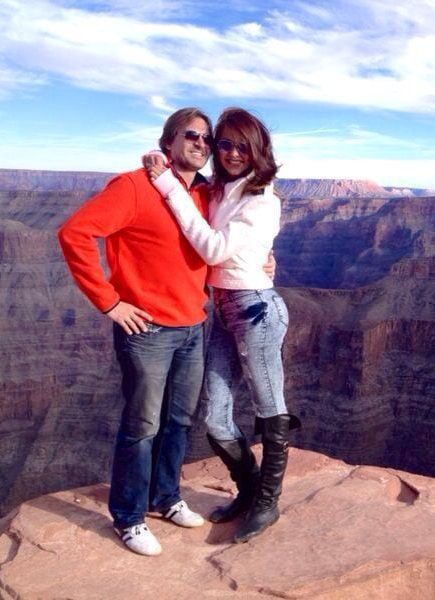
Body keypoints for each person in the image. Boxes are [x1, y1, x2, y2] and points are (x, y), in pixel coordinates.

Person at [58, 108, 274, 556]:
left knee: (178, 422)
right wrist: (110, 301)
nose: (201, 144)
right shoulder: (133, 187)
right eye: (190, 135)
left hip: (194, 324)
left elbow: (236, 238)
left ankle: (165, 497)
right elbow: (75, 232)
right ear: (168, 141)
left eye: (207, 138)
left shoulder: (204, 193)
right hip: (148, 330)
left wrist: (265, 263)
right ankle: (129, 517)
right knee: (142, 426)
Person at [145, 107, 299, 544]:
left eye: (241, 145)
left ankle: (267, 504)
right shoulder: (222, 190)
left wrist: (166, 186)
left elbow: (214, 249)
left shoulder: (260, 199)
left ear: (258, 149)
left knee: (271, 409)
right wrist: (158, 163)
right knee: (215, 418)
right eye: (224, 144)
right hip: (227, 310)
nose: (231, 152)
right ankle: (249, 488)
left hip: (256, 312)